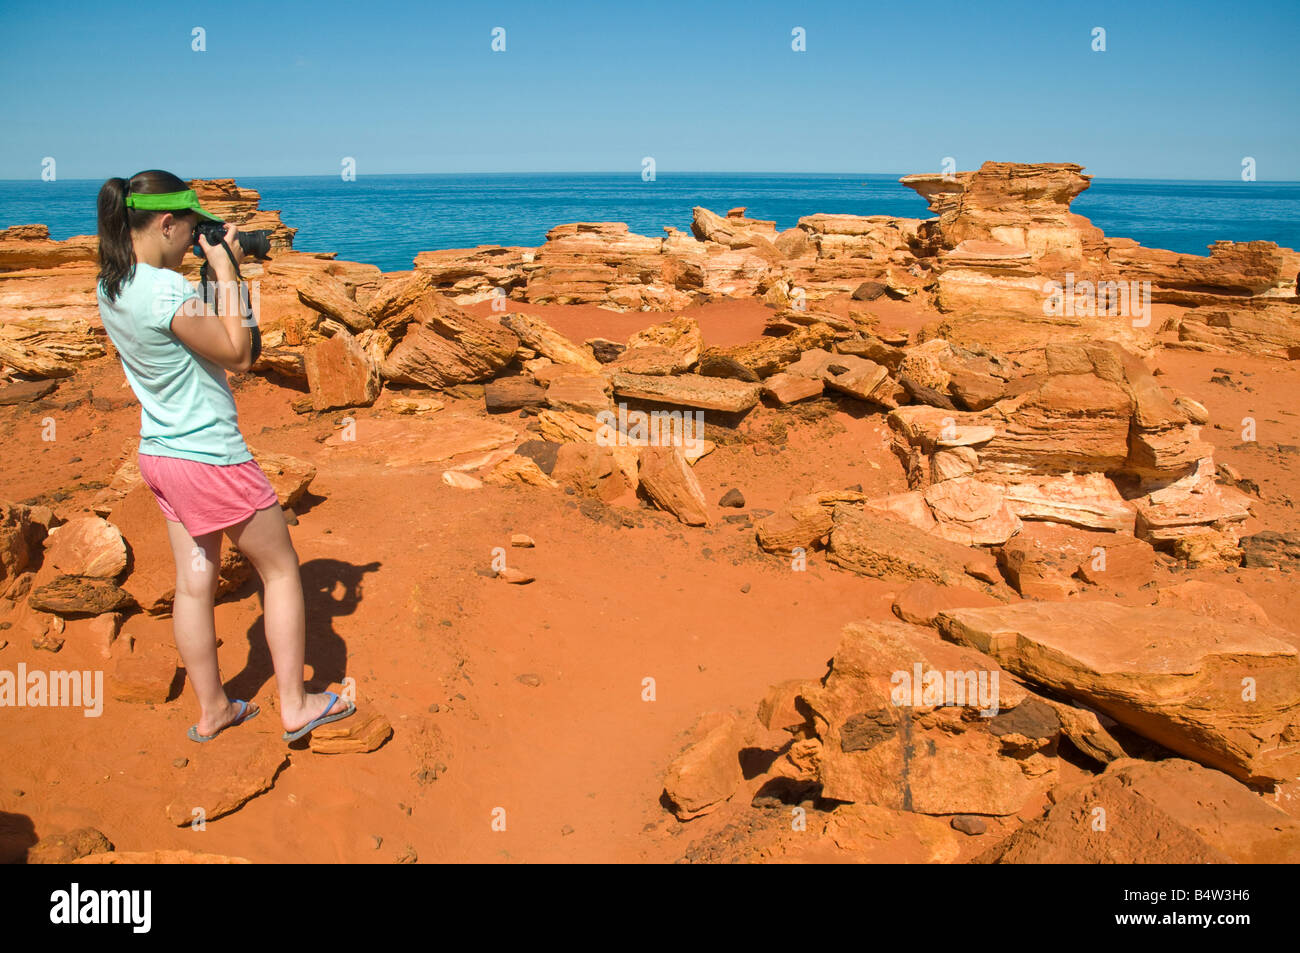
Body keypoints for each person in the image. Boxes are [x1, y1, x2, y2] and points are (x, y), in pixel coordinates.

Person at [95, 169, 354, 743]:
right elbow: (239, 354)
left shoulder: (112, 285)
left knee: (194, 584)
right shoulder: (167, 290)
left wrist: (207, 272)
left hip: (161, 454)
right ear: (165, 222)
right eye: (189, 230)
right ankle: (296, 703)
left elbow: (190, 335)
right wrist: (225, 268)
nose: (193, 240)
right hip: (210, 456)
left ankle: (213, 710)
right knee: (282, 569)